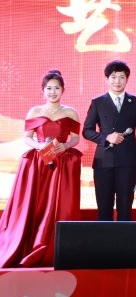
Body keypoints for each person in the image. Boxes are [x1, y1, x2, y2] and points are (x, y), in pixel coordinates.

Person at [0, 70, 81, 268]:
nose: (53, 92)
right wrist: (40, 146)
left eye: (57, 88)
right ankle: (29, 243)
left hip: (61, 164)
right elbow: (27, 137)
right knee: (35, 203)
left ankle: (56, 246)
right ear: (43, 90)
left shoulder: (70, 112)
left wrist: (66, 146)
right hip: (38, 163)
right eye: (49, 88)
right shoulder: (34, 111)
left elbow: (76, 138)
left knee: (59, 204)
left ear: (63, 90)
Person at [82, 60, 136, 222]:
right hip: (104, 162)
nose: (117, 81)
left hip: (128, 163)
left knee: (125, 208)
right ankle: (105, 239)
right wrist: (106, 137)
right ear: (106, 79)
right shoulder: (98, 102)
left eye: (122, 77)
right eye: (113, 77)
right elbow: (86, 131)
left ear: (127, 79)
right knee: (104, 208)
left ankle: (125, 238)